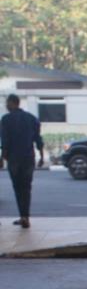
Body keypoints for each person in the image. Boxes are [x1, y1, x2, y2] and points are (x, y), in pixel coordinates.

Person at [0, 94, 44, 227]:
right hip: (29, 158)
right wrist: (41, 156)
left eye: (7, 103)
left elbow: (5, 140)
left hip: (14, 159)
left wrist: (2, 158)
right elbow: (38, 139)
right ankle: (25, 217)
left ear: (13, 103)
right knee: (26, 188)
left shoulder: (6, 119)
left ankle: (23, 216)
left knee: (18, 187)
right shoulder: (32, 119)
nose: (6, 106)